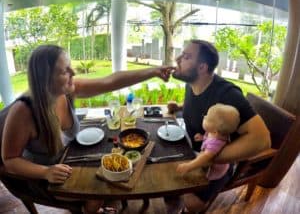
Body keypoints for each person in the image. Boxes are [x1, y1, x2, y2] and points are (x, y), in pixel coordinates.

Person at [1, 44, 175, 214]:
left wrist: (153, 71)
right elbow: (9, 160)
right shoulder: (24, 111)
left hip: (72, 157)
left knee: (113, 172)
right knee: (100, 189)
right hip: (45, 175)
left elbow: (110, 81)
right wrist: (46, 172)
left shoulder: (65, 90)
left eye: (70, 67)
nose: (73, 73)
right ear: (45, 79)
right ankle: (90, 208)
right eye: (64, 71)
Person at [168, 40, 271, 213]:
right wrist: (178, 107)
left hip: (217, 166)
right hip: (192, 148)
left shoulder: (227, 94)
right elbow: (200, 104)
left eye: (186, 56)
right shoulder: (193, 82)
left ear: (202, 68)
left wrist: (211, 156)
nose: (178, 58)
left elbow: (262, 139)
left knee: (192, 203)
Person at [176, 103, 240, 180]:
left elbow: (205, 157)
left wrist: (189, 166)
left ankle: (207, 183)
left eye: (207, 118)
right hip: (208, 157)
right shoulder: (216, 133)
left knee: (201, 177)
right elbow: (210, 137)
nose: (204, 117)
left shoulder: (216, 143)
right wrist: (203, 137)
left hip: (213, 170)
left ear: (215, 131)